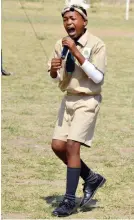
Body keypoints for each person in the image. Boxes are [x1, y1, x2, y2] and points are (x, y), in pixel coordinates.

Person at [48, 0, 107, 217]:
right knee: (57, 145)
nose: (68, 23)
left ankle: (69, 201)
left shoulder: (97, 44)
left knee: (73, 145)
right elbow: (57, 80)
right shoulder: (59, 44)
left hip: (88, 100)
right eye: (65, 19)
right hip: (69, 99)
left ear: (84, 21)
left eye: (73, 18)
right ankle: (91, 178)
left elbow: (98, 77)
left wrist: (77, 52)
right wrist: (54, 71)